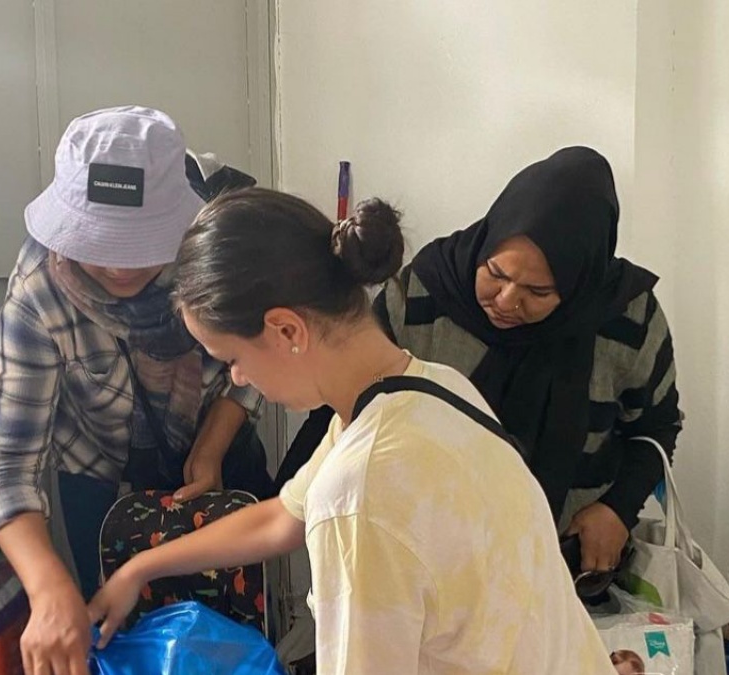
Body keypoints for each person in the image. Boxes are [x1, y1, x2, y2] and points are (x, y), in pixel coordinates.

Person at [88, 188, 615, 674]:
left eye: (232, 359)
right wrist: (139, 569)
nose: (238, 379)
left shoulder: (364, 485)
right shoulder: (426, 388)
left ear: (287, 330)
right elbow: (283, 517)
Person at [286, 146, 683, 577]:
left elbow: (655, 428)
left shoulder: (626, 316)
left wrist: (617, 510)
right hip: (422, 558)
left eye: (539, 292)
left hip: (563, 565)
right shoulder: (424, 293)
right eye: (496, 273)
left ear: (580, 281)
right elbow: (342, 405)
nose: (507, 301)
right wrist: (285, 507)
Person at [0, 106, 265, 675]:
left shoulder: (213, 257)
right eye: (98, 241)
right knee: (115, 634)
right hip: (97, 475)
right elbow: (8, 461)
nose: (118, 266)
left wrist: (210, 448)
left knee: (229, 638)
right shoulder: (39, 289)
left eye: (140, 244)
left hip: (216, 452)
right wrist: (49, 587)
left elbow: (257, 370)